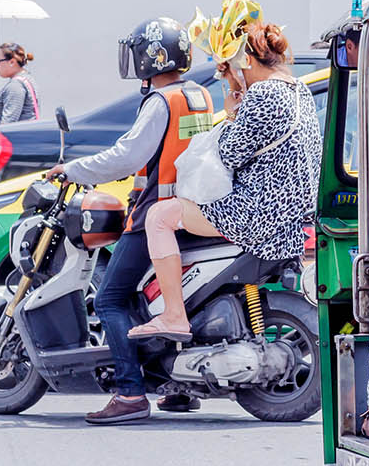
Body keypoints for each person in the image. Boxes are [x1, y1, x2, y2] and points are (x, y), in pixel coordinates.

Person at [48, 18, 215, 425]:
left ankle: (129, 392)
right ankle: (176, 387)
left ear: (150, 58)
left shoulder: (161, 101)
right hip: (193, 206)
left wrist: (74, 170)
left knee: (109, 299)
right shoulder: (198, 95)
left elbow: (126, 155)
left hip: (157, 212)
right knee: (150, 296)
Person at [128, 22, 321, 347]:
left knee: (159, 216)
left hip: (256, 213)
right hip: (293, 212)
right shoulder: (297, 89)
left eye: (227, 69)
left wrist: (231, 113)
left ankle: (174, 313)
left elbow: (228, 154)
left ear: (243, 61)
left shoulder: (263, 94)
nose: (229, 78)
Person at [0, 43, 40, 126]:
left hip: (14, 138)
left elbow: (7, 125)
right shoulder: (27, 78)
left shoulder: (15, 85)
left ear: (12, 62)